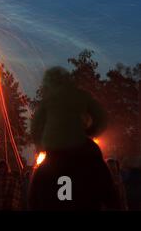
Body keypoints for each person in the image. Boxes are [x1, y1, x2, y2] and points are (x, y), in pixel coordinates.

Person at [29, 67, 120, 210]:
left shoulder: (48, 101)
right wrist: (90, 131)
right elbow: (101, 117)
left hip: (56, 151)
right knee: (100, 172)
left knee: (40, 177)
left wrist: (41, 145)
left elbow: (35, 127)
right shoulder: (81, 96)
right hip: (80, 146)